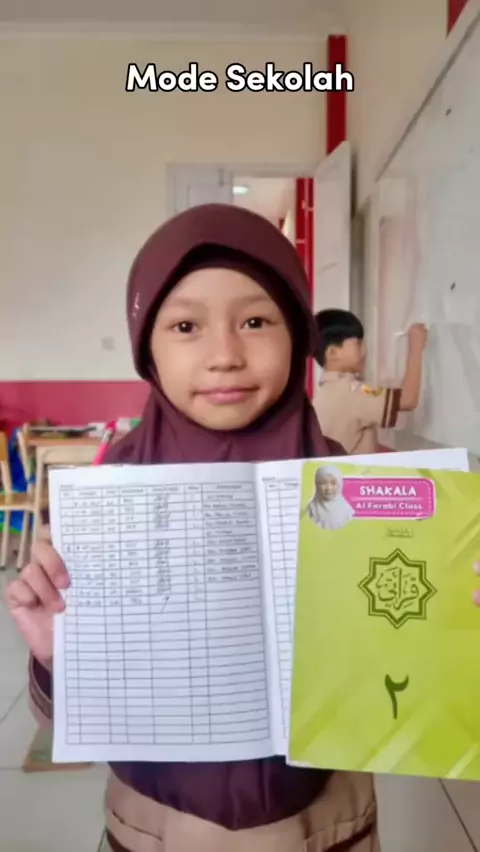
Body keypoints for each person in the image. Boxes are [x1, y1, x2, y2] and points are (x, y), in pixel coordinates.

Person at [4, 204, 378, 852]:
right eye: (185, 326)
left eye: (256, 321)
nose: (225, 356)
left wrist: (454, 626)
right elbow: (70, 718)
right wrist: (58, 658)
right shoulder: (109, 497)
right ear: (146, 347)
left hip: (326, 819)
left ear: (296, 333)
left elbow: (404, 671)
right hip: (155, 821)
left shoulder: (354, 487)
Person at [312, 309, 428, 454]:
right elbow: (408, 399)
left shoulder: (326, 390)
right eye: (358, 344)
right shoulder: (350, 391)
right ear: (333, 353)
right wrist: (416, 348)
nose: (365, 350)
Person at [307, 465, 354, 531]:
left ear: (339, 485)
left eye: (333, 483)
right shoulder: (311, 509)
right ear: (317, 485)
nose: (328, 488)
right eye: (323, 483)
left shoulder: (347, 511)